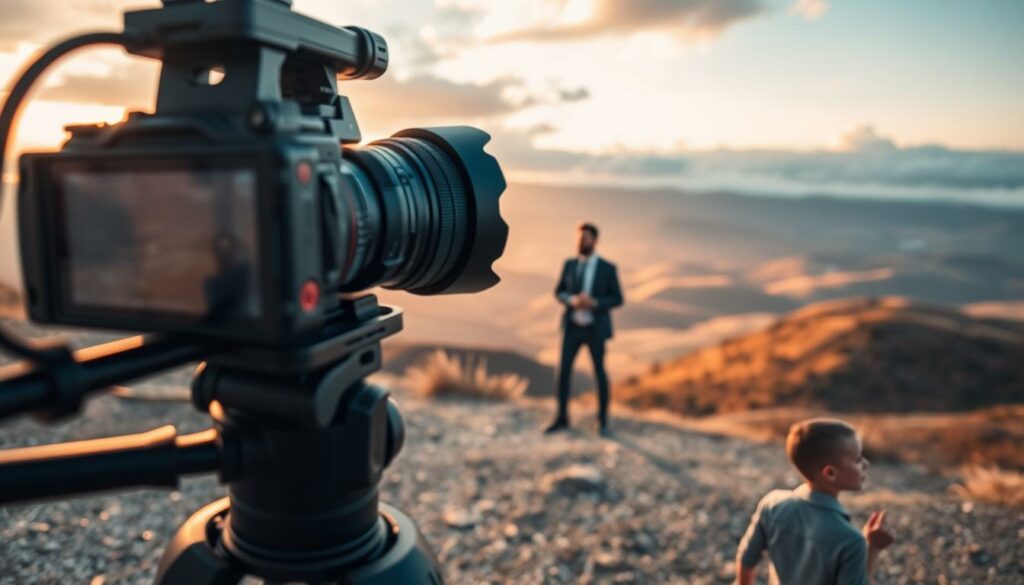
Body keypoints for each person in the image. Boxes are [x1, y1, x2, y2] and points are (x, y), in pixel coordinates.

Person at [735, 418, 895, 585]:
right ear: (830, 473)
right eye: (857, 459)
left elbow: (746, 559)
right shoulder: (851, 540)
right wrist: (872, 549)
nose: (866, 464)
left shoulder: (772, 505)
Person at [545, 222, 623, 435]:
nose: (581, 242)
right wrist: (571, 300)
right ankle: (561, 418)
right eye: (579, 238)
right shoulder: (569, 264)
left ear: (595, 241)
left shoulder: (608, 268)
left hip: (595, 329)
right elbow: (559, 292)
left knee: (599, 373)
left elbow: (618, 298)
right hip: (572, 327)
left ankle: (603, 421)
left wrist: (595, 303)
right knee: (563, 373)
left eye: (585, 238)